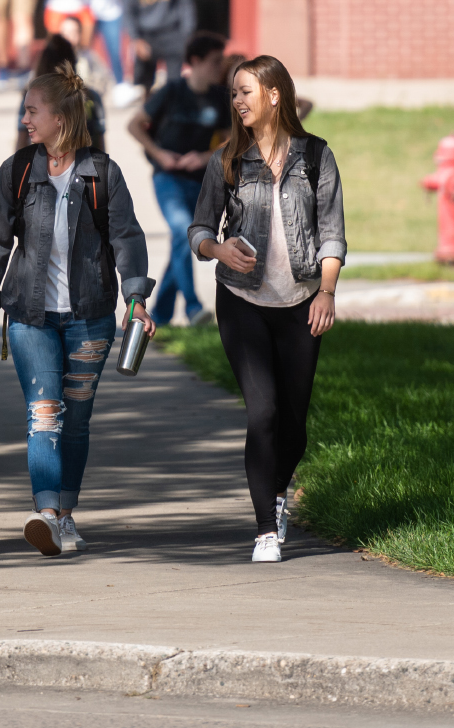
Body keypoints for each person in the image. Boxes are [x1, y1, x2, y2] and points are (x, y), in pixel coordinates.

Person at [0, 63, 154, 557]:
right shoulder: (17, 171)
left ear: (60, 117)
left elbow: (126, 239)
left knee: (75, 421)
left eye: (33, 110)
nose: (25, 119)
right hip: (29, 317)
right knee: (44, 412)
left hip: (89, 317)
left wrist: (135, 299)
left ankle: (66, 513)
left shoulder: (102, 174)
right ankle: (48, 515)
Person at [188, 55, 345, 563]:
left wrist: (326, 292)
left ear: (274, 95)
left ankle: (277, 494)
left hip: (301, 303)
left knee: (294, 426)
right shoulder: (227, 159)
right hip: (242, 302)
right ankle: (264, 531)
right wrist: (219, 249)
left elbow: (332, 234)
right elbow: (199, 229)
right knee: (264, 412)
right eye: (234, 93)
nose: (237, 101)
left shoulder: (316, 156)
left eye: (245, 91)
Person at [126, 30, 230, 326]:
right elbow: (134, 125)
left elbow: (231, 140)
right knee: (184, 232)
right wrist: (159, 154)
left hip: (201, 182)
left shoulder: (219, 97)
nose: (219, 66)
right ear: (195, 61)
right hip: (168, 178)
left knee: (182, 240)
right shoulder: (171, 91)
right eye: (214, 60)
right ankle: (194, 307)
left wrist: (205, 157)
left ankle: (161, 315)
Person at [13, 34, 106, 155]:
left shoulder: (31, 98)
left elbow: (21, 142)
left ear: (43, 64)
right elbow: (100, 146)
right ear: (73, 65)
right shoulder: (91, 98)